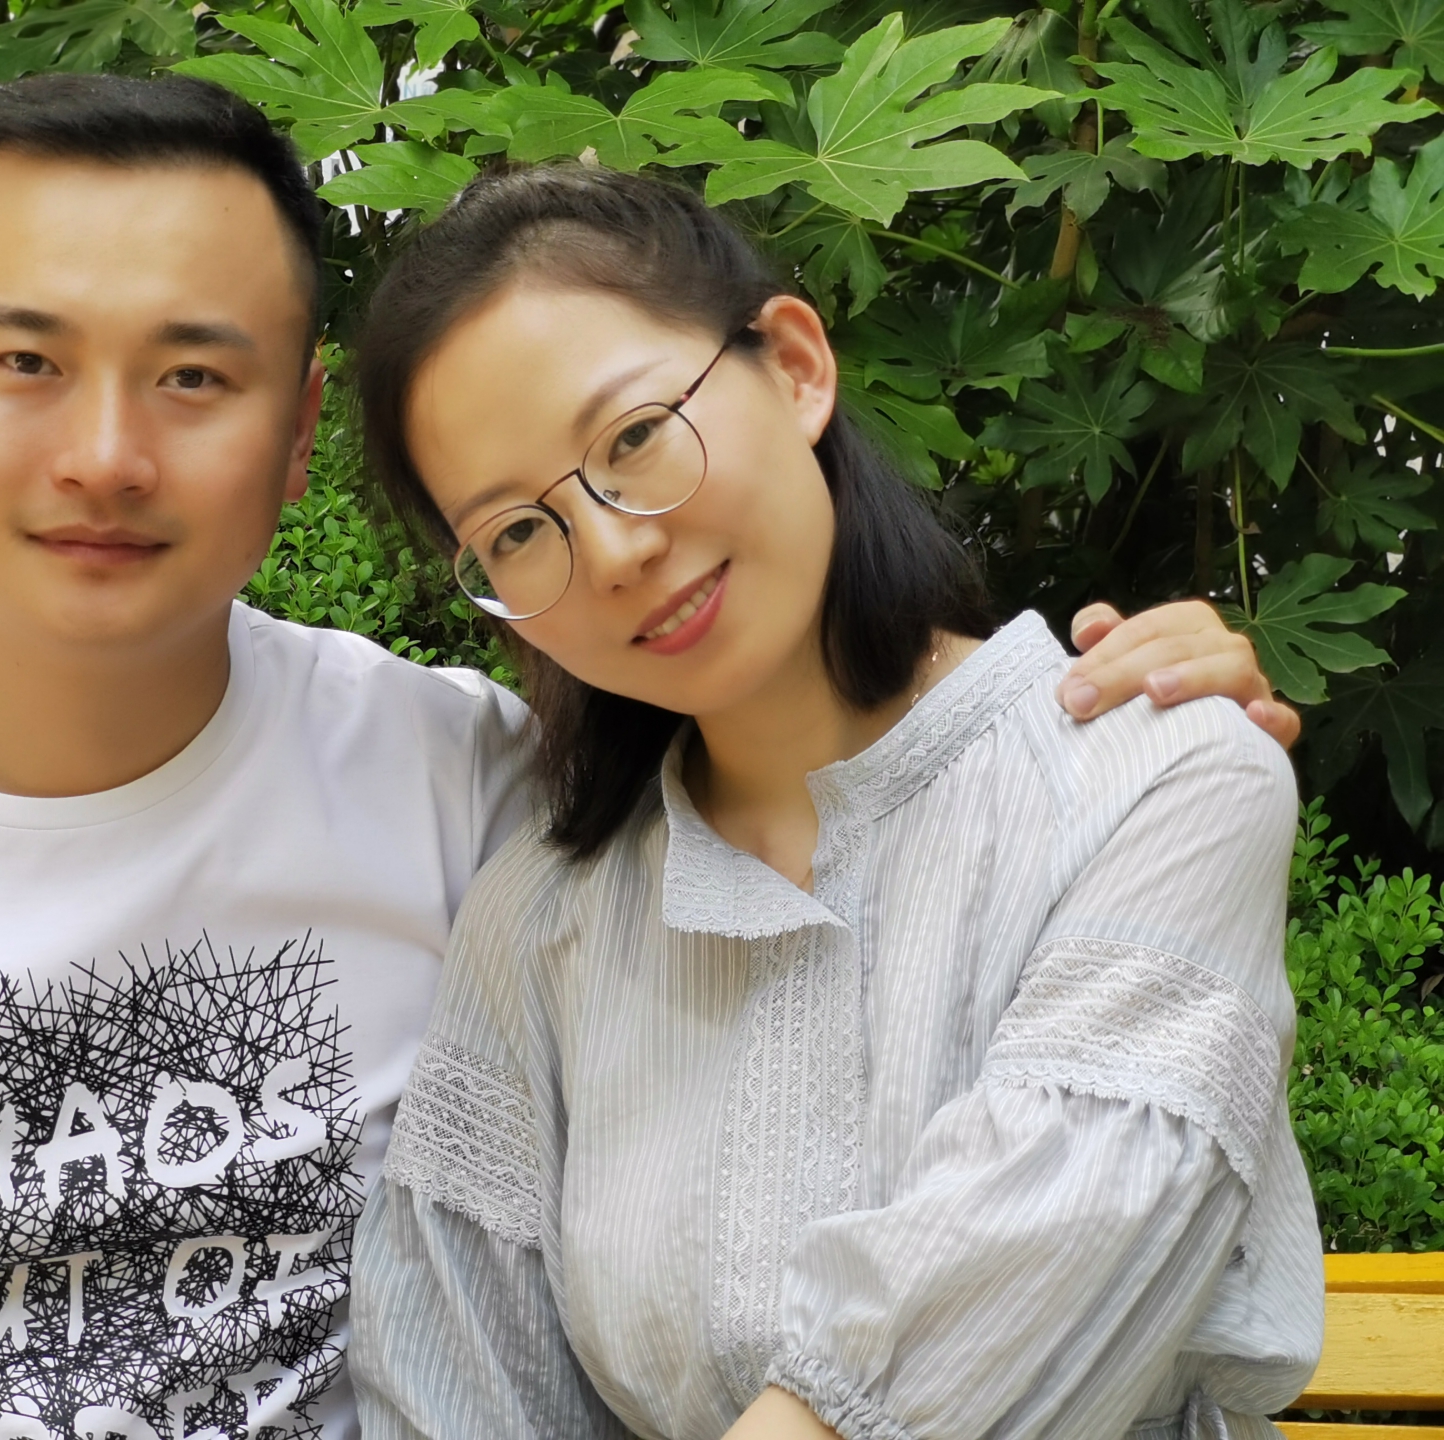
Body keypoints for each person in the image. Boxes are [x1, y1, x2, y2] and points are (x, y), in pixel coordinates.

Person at [0, 74, 1288, 1440]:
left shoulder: (463, 782)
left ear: (294, 440)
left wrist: (1174, 729)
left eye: (193, 378)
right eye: (27, 362)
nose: (107, 454)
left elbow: (1070, 1189)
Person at [347, 166, 1323, 1440]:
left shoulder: (1156, 775)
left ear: (797, 368)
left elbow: (1043, 1268)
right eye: (519, 532)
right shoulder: (539, 922)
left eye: (634, 438)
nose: (617, 549)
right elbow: (455, 1373)